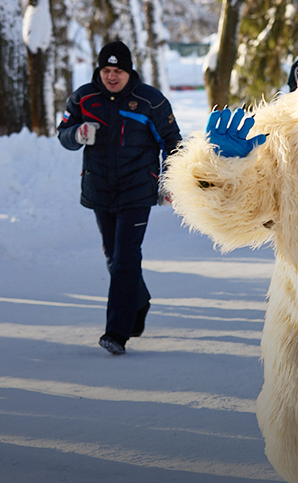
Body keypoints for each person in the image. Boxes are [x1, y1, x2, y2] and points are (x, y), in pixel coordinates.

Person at [58, 41, 181, 354]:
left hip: (137, 189)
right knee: (115, 258)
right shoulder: (84, 97)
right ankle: (139, 301)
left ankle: (116, 332)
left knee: (125, 257)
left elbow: (173, 143)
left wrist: (170, 182)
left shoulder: (150, 101)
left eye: (118, 70)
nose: (112, 76)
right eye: (107, 70)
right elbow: (63, 133)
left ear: (129, 71)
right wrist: (77, 134)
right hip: (100, 189)